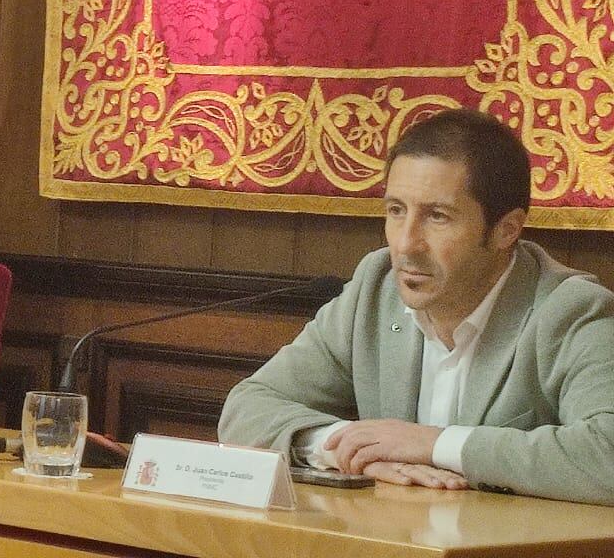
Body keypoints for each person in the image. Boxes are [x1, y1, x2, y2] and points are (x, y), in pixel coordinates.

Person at [219, 109, 614, 505]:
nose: (406, 244)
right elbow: (246, 408)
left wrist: (433, 444)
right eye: (396, 211)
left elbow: (607, 453)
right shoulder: (376, 288)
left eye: (437, 217)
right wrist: (347, 448)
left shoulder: (570, 311)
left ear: (505, 230)